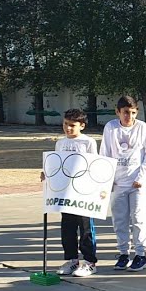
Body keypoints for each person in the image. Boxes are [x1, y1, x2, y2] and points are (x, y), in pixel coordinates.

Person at [42, 108, 100, 277]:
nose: (68, 128)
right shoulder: (60, 143)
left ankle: (90, 261)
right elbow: (56, 164)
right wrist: (47, 173)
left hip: (83, 194)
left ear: (82, 126)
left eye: (72, 125)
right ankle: (72, 260)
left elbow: (95, 165)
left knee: (85, 228)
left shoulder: (88, 142)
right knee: (67, 227)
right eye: (65, 124)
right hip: (65, 193)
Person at [102, 96, 146, 272]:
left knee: (138, 217)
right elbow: (106, 154)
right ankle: (123, 253)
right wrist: (108, 179)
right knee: (120, 219)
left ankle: (141, 254)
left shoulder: (142, 127)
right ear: (118, 112)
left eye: (133, 113)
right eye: (125, 112)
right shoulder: (111, 128)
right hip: (119, 182)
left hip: (137, 183)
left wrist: (140, 177)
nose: (129, 117)